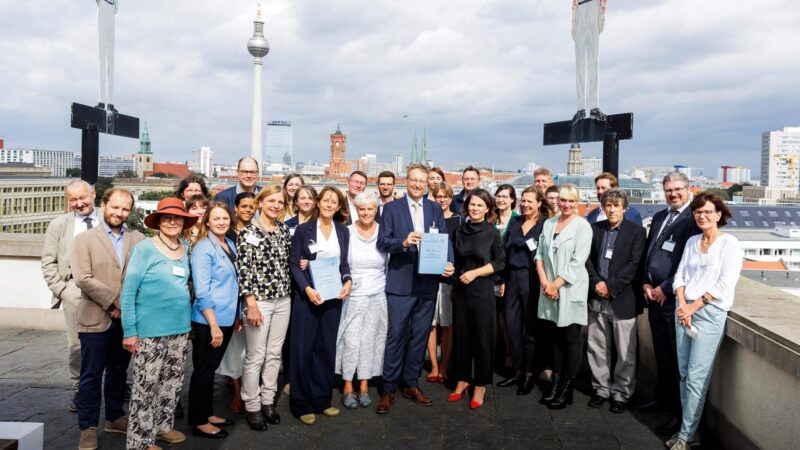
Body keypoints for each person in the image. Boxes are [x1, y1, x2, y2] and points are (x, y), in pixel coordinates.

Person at [376, 163, 454, 414]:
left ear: (427, 183)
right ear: (406, 181)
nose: (418, 184)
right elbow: (383, 242)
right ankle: (388, 388)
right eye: (414, 180)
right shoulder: (391, 208)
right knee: (396, 336)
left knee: (420, 337)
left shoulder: (434, 208)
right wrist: (404, 242)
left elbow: (444, 239)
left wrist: (449, 262)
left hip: (427, 283)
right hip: (400, 283)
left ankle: (410, 383)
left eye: (422, 180)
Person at [121, 197, 198, 449]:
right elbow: (128, 291)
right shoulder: (145, 249)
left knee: (171, 384)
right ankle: (140, 441)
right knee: (146, 387)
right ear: (159, 222)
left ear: (184, 222)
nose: (173, 222)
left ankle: (163, 427)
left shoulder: (185, 247)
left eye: (178, 218)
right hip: (150, 331)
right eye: (167, 217)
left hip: (179, 329)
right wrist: (130, 331)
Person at [71, 188, 144, 450]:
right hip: (95, 318)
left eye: (125, 209)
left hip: (125, 321)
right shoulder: (84, 239)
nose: (120, 213)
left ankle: (114, 417)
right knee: (90, 376)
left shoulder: (139, 239)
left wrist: (125, 307)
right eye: (115, 207)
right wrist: (116, 301)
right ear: (104, 205)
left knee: (118, 371)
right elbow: (83, 277)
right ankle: (87, 427)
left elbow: (141, 277)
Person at [667, 193, 742, 450]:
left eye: (708, 212)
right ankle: (687, 431)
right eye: (698, 212)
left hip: (709, 315)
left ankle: (686, 437)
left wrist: (694, 306)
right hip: (683, 310)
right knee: (684, 374)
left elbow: (724, 283)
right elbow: (679, 276)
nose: (702, 216)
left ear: (719, 215)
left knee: (697, 377)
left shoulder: (729, 244)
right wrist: (683, 304)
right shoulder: (691, 242)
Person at [636, 172, 701, 436]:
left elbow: (689, 263)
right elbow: (650, 253)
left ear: (687, 190)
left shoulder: (692, 219)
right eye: (668, 190)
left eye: (677, 189)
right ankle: (662, 402)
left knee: (677, 361)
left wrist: (665, 288)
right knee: (662, 355)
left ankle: (676, 413)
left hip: (674, 300)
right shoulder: (662, 216)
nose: (673, 194)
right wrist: (646, 283)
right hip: (653, 298)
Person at [289, 186, 352, 425]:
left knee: (326, 349)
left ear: (338, 207)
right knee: (303, 350)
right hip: (308, 298)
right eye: (325, 200)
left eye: (333, 202)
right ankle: (301, 403)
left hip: (333, 298)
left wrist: (348, 280)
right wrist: (307, 288)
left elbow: (344, 264)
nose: (328, 204)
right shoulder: (304, 230)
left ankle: (322, 400)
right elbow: (295, 264)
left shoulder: (343, 231)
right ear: (317, 203)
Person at [236, 186, 293, 431]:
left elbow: (288, 261)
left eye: (280, 202)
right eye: (271, 201)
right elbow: (244, 270)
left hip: (283, 300)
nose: (276, 205)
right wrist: (250, 304)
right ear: (260, 202)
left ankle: (268, 400)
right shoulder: (248, 231)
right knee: (255, 356)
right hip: (259, 301)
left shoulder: (283, 230)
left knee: (274, 354)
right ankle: (252, 404)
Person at [584, 189, 646, 413]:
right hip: (597, 297)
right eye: (607, 205)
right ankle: (601, 389)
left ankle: (621, 393)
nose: (611, 210)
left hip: (622, 299)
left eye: (616, 206)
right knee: (597, 347)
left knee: (625, 351)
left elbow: (634, 264)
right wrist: (597, 284)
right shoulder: (595, 229)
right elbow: (587, 260)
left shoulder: (637, 232)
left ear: (625, 209)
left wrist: (611, 286)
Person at [41, 180, 100, 412]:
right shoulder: (59, 224)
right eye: (73, 200)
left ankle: (114, 388)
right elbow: (48, 261)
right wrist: (62, 290)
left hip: (106, 289)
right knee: (76, 345)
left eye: (82, 198)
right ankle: (79, 390)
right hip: (73, 289)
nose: (78, 203)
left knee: (114, 342)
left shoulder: (107, 219)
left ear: (93, 194)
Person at [535, 184, 592, 409]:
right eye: (563, 200)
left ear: (576, 202)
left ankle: (566, 390)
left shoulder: (582, 227)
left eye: (571, 200)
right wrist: (545, 283)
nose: (566, 204)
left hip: (570, 289)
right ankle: (555, 385)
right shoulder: (549, 224)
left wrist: (556, 284)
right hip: (549, 288)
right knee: (555, 340)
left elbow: (578, 262)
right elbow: (539, 254)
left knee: (571, 339)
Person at [448, 189, 505, 409]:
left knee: (482, 338)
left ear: (488, 209)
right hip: (461, 290)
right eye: (472, 204)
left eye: (480, 205)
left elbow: (500, 263)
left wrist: (475, 272)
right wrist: (451, 270)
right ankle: (462, 379)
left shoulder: (492, 233)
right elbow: (453, 258)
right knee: (462, 337)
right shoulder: (458, 231)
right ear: (466, 206)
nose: (475, 208)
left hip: (482, 291)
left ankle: (480, 383)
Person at [188, 202, 239, 439]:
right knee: (203, 371)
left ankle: (207, 413)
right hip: (209, 321)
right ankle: (199, 421)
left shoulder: (228, 243)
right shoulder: (202, 248)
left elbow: (233, 283)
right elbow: (202, 290)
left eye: (224, 218)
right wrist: (214, 325)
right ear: (207, 221)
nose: (221, 222)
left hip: (227, 317)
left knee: (210, 370)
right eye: (216, 218)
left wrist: (236, 315)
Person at [496, 186, 553, 395]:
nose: (526, 204)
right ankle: (518, 370)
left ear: (539, 203)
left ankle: (530, 372)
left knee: (530, 329)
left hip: (531, 280)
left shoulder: (545, 225)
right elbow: (503, 250)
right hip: (512, 279)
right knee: (511, 326)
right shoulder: (516, 222)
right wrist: (501, 279)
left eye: (530, 201)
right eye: (524, 201)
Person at [335, 192, 388, 410]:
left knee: (370, 341)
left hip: (377, 294)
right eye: (362, 209)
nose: (366, 213)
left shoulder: (384, 233)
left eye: (371, 209)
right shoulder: (346, 233)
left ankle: (364, 384)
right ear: (356, 210)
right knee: (351, 340)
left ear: (376, 210)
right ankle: (348, 385)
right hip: (352, 295)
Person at [220, 191, 256, 413]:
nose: (248, 210)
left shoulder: (258, 231)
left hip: (254, 297)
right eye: (244, 206)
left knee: (252, 347)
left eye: (252, 207)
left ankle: (251, 388)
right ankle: (236, 390)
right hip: (233, 297)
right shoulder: (228, 233)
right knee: (234, 348)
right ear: (236, 208)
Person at [426, 183, 461, 384]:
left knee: (447, 324)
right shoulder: (427, 219)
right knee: (431, 324)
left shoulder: (458, 221)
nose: (442, 200)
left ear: (450, 198)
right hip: (430, 278)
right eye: (438, 196)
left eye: (446, 196)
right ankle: (434, 366)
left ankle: (445, 365)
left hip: (449, 279)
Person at [493, 184, 519, 374]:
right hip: (490, 275)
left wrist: (504, 279)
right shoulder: (490, 219)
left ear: (512, 199)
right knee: (493, 318)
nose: (501, 199)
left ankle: (510, 354)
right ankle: (495, 354)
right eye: (498, 196)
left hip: (509, 276)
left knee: (507, 319)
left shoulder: (518, 220)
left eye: (505, 196)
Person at [572, 0, 607, 122]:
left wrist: (602, 11)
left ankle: (594, 107)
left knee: (593, 61)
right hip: (580, 7)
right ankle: (580, 108)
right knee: (579, 63)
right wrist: (573, 18)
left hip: (593, 5)